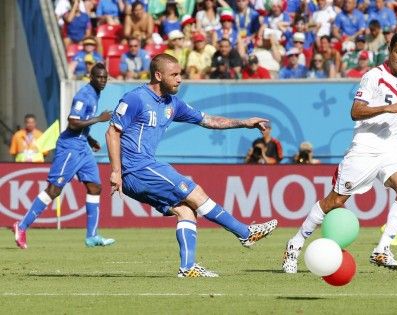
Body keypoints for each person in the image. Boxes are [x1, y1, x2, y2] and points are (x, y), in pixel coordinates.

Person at [105, 54, 277, 277]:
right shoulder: (135, 99)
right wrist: (116, 172)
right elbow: (112, 132)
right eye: (174, 75)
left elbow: (208, 120)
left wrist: (244, 123)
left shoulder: (172, 104)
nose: (179, 79)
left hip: (141, 170)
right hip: (135, 167)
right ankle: (245, 233)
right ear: (158, 75)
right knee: (194, 190)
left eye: (180, 74)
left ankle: (187, 268)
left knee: (186, 210)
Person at [282, 31, 397, 273]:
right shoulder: (373, 76)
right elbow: (355, 111)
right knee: (335, 201)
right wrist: (388, 107)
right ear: (390, 50)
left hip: (390, 150)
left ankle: (382, 249)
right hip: (364, 149)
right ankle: (295, 243)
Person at [13, 63, 115, 249]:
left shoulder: (95, 93)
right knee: (54, 190)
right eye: (99, 77)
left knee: (95, 187)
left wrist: (89, 137)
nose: (102, 80)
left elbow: (81, 126)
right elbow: (73, 122)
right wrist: (99, 119)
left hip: (82, 145)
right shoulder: (84, 96)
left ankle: (92, 236)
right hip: (69, 147)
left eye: (105, 78)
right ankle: (21, 226)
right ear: (91, 77)